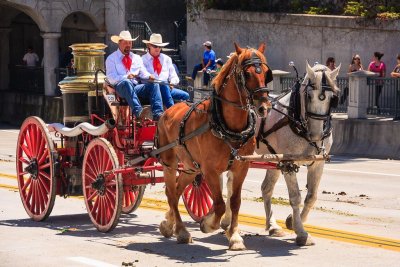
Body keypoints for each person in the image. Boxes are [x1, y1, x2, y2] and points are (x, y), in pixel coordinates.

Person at [105, 30, 164, 121]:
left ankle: (158, 114)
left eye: (130, 42)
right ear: (119, 43)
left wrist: (149, 76)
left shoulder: (136, 58)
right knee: (126, 82)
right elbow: (111, 78)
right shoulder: (111, 58)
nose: (128, 45)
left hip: (135, 87)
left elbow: (143, 72)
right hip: (121, 87)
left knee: (154, 84)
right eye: (125, 42)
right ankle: (138, 112)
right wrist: (126, 77)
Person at [141, 33, 189, 108]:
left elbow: (174, 76)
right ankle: (172, 111)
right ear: (149, 46)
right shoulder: (142, 59)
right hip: (152, 89)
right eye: (155, 46)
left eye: (160, 46)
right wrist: (150, 77)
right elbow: (142, 75)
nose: (157, 48)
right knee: (162, 84)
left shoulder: (167, 59)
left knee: (186, 96)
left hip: (167, 88)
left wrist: (172, 83)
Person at [391, 54, 400, 120]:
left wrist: (396, 74)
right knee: (398, 102)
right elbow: (392, 73)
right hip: (398, 87)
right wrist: (397, 75)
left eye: (398, 59)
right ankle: (398, 116)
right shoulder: (397, 66)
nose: (397, 61)